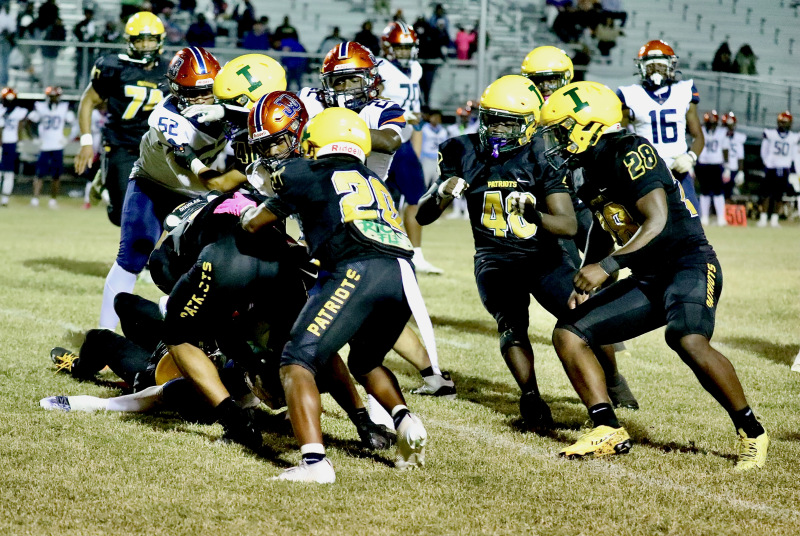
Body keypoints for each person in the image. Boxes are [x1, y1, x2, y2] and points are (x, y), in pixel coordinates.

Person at [539, 81, 768, 470]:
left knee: (687, 338)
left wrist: (606, 267)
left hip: (688, 264)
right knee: (569, 333)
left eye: (562, 130)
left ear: (587, 125)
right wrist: (585, 277)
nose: (557, 141)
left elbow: (657, 220)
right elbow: (605, 227)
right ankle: (606, 428)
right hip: (648, 276)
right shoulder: (587, 166)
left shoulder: (631, 150)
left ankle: (753, 431)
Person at [417, 76, 634, 427]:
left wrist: (535, 215)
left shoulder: (542, 153)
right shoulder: (461, 149)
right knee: (511, 325)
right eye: (491, 119)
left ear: (530, 123)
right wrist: (441, 192)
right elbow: (423, 216)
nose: (497, 129)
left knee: (585, 317)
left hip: (543, 257)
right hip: (494, 259)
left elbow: (568, 225)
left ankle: (612, 380)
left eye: (507, 122)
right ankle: (530, 395)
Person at [242, 107, 429, 483]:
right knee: (366, 361)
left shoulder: (305, 171)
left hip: (356, 268)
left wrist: (249, 211)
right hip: (401, 274)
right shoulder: (370, 177)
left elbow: (254, 223)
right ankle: (405, 421)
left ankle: (315, 463)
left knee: (296, 361)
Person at [97, 47, 225, 331]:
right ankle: (105, 334)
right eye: (194, 93)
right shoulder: (166, 116)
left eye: (209, 90)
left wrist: (228, 111)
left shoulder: (228, 103)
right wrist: (218, 185)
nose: (203, 98)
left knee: (205, 265)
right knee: (133, 255)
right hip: (154, 184)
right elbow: (187, 164)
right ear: (177, 91)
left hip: (199, 194)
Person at [74, 11, 169, 227]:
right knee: (121, 215)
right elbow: (87, 102)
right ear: (130, 42)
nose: (145, 45)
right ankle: (106, 177)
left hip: (158, 149)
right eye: (140, 40)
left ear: (160, 40)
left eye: (150, 39)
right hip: (122, 145)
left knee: (160, 211)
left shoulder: (169, 70)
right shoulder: (114, 67)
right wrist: (86, 142)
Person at [377, 23, 442, 274]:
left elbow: (417, 118)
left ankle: (417, 254)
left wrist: (416, 148)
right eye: (400, 47)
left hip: (404, 145)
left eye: (408, 47)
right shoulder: (380, 68)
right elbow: (374, 102)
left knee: (416, 197)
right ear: (387, 47)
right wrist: (403, 116)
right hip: (382, 142)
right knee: (381, 199)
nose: (405, 52)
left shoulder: (416, 68)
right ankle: (381, 251)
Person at [617, 40, 704, 215]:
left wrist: (690, 157)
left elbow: (699, 136)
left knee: (692, 218)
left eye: (661, 65)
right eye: (651, 66)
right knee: (650, 220)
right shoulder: (630, 95)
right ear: (642, 67)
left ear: (671, 66)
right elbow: (617, 137)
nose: (656, 70)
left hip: (678, 169)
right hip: (647, 171)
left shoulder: (684, 90)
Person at [27, 86, 77, 208]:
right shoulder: (40, 107)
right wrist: (34, 138)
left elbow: (75, 124)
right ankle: (35, 198)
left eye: (55, 96)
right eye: (51, 96)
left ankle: (53, 199)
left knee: (56, 175)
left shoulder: (64, 108)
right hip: (44, 145)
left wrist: (68, 138)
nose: (53, 99)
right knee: (39, 174)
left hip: (57, 145)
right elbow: (29, 122)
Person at [759, 111, 799, 228]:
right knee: (766, 194)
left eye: (786, 122)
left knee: (779, 195)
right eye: (782, 122)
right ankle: (763, 218)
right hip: (771, 167)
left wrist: (793, 168)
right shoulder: (770, 134)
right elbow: (764, 150)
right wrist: (767, 162)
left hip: (784, 168)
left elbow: (794, 154)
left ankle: (774, 220)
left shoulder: (793, 137)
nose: (783, 125)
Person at [695, 110, 730, 226]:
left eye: (712, 123)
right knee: (704, 191)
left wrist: (727, 167)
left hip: (716, 164)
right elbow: (695, 146)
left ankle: (720, 217)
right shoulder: (700, 131)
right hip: (703, 164)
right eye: (709, 123)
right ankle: (704, 217)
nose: (710, 125)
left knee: (718, 192)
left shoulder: (722, 132)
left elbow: (725, 149)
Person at [0, 87, 26, 207]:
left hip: (11, 143)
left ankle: (5, 198)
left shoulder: (19, 112)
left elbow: (20, 128)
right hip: (3, 143)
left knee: (9, 172)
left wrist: (20, 142)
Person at [419, 109, 448, 187]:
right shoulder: (424, 129)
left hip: (438, 161)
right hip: (426, 159)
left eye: (438, 117)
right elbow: (419, 144)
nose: (436, 119)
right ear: (430, 117)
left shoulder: (443, 131)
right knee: (424, 183)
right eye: (434, 117)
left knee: (436, 186)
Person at [722, 111, 746, 198]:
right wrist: (726, 166)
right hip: (720, 167)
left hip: (733, 167)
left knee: (729, 193)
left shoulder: (738, 137)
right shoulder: (720, 135)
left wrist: (741, 171)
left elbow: (740, 155)